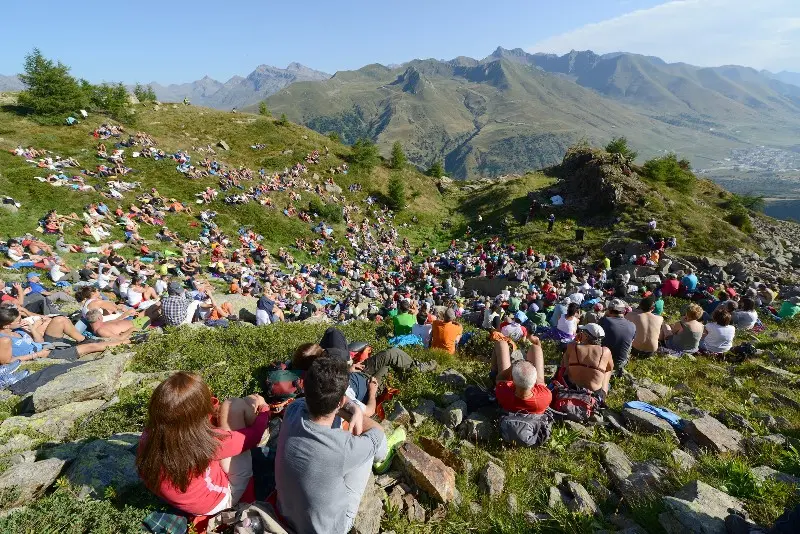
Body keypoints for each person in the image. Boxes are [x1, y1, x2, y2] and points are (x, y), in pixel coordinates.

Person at [275, 357, 388, 533]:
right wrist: (353, 412)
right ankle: (382, 460)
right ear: (341, 401)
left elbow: (306, 402)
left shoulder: (292, 410)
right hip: (331, 528)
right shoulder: (344, 448)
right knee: (371, 447)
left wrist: (347, 406)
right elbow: (377, 432)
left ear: (304, 388)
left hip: (285, 512)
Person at [136, 372, 270, 516]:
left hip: (188, 495)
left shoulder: (151, 433)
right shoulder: (202, 443)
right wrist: (263, 409)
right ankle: (265, 437)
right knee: (234, 404)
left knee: (229, 409)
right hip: (219, 500)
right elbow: (252, 436)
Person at [0, 305, 123, 364]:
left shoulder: (16, 330)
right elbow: (7, 362)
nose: (22, 321)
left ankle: (84, 339)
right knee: (91, 347)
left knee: (60, 320)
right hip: (43, 354)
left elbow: (38, 341)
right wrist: (37, 355)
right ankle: (128, 342)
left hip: (44, 345)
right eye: (18, 321)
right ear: (6, 325)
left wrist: (31, 328)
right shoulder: (4, 340)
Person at [490, 336, 552, 414]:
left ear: (513, 381)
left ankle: (493, 372)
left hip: (512, 397)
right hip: (534, 399)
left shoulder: (503, 393)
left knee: (501, 344)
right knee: (536, 348)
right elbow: (541, 385)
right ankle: (537, 342)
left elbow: (500, 379)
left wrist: (512, 367)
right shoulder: (545, 397)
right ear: (533, 382)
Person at [560, 323, 613, 401]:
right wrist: (604, 389)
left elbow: (563, 364)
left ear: (586, 335)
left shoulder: (572, 346)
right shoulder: (605, 351)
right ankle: (604, 394)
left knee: (566, 358)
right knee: (607, 373)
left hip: (572, 387)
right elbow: (609, 369)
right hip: (595, 394)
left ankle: (565, 380)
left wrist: (575, 340)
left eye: (582, 332)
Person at [599, 299, 636, 375]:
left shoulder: (603, 321)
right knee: (629, 342)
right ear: (624, 311)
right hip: (621, 362)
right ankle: (619, 368)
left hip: (603, 362)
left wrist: (606, 315)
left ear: (609, 311)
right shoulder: (632, 325)